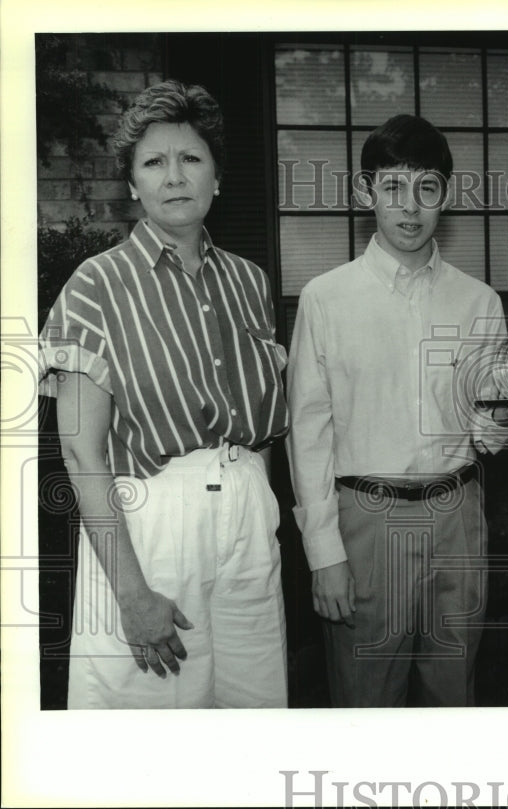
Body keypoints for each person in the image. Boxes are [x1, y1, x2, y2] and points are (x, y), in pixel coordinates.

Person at [39, 80, 289, 709]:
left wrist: (261, 507)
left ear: (217, 176)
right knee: (151, 730)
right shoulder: (96, 286)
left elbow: (266, 423)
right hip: (148, 525)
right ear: (133, 185)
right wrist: (131, 592)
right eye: (154, 162)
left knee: (252, 712)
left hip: (248, 515)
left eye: (191, 158)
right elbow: (80, 455)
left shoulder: (249, 283)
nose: (174, 177)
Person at [286, 114, 508, 707]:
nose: (410, 207)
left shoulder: (478, 301)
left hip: (457, 513)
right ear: (367, 194)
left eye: (427, 188)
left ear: (446, 195)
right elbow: (308, 433)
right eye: (392, 187)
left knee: (452, 695)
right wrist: (324, 553)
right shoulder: (326, 298)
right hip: (365, 517)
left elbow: (489, 432)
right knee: (365, 701)